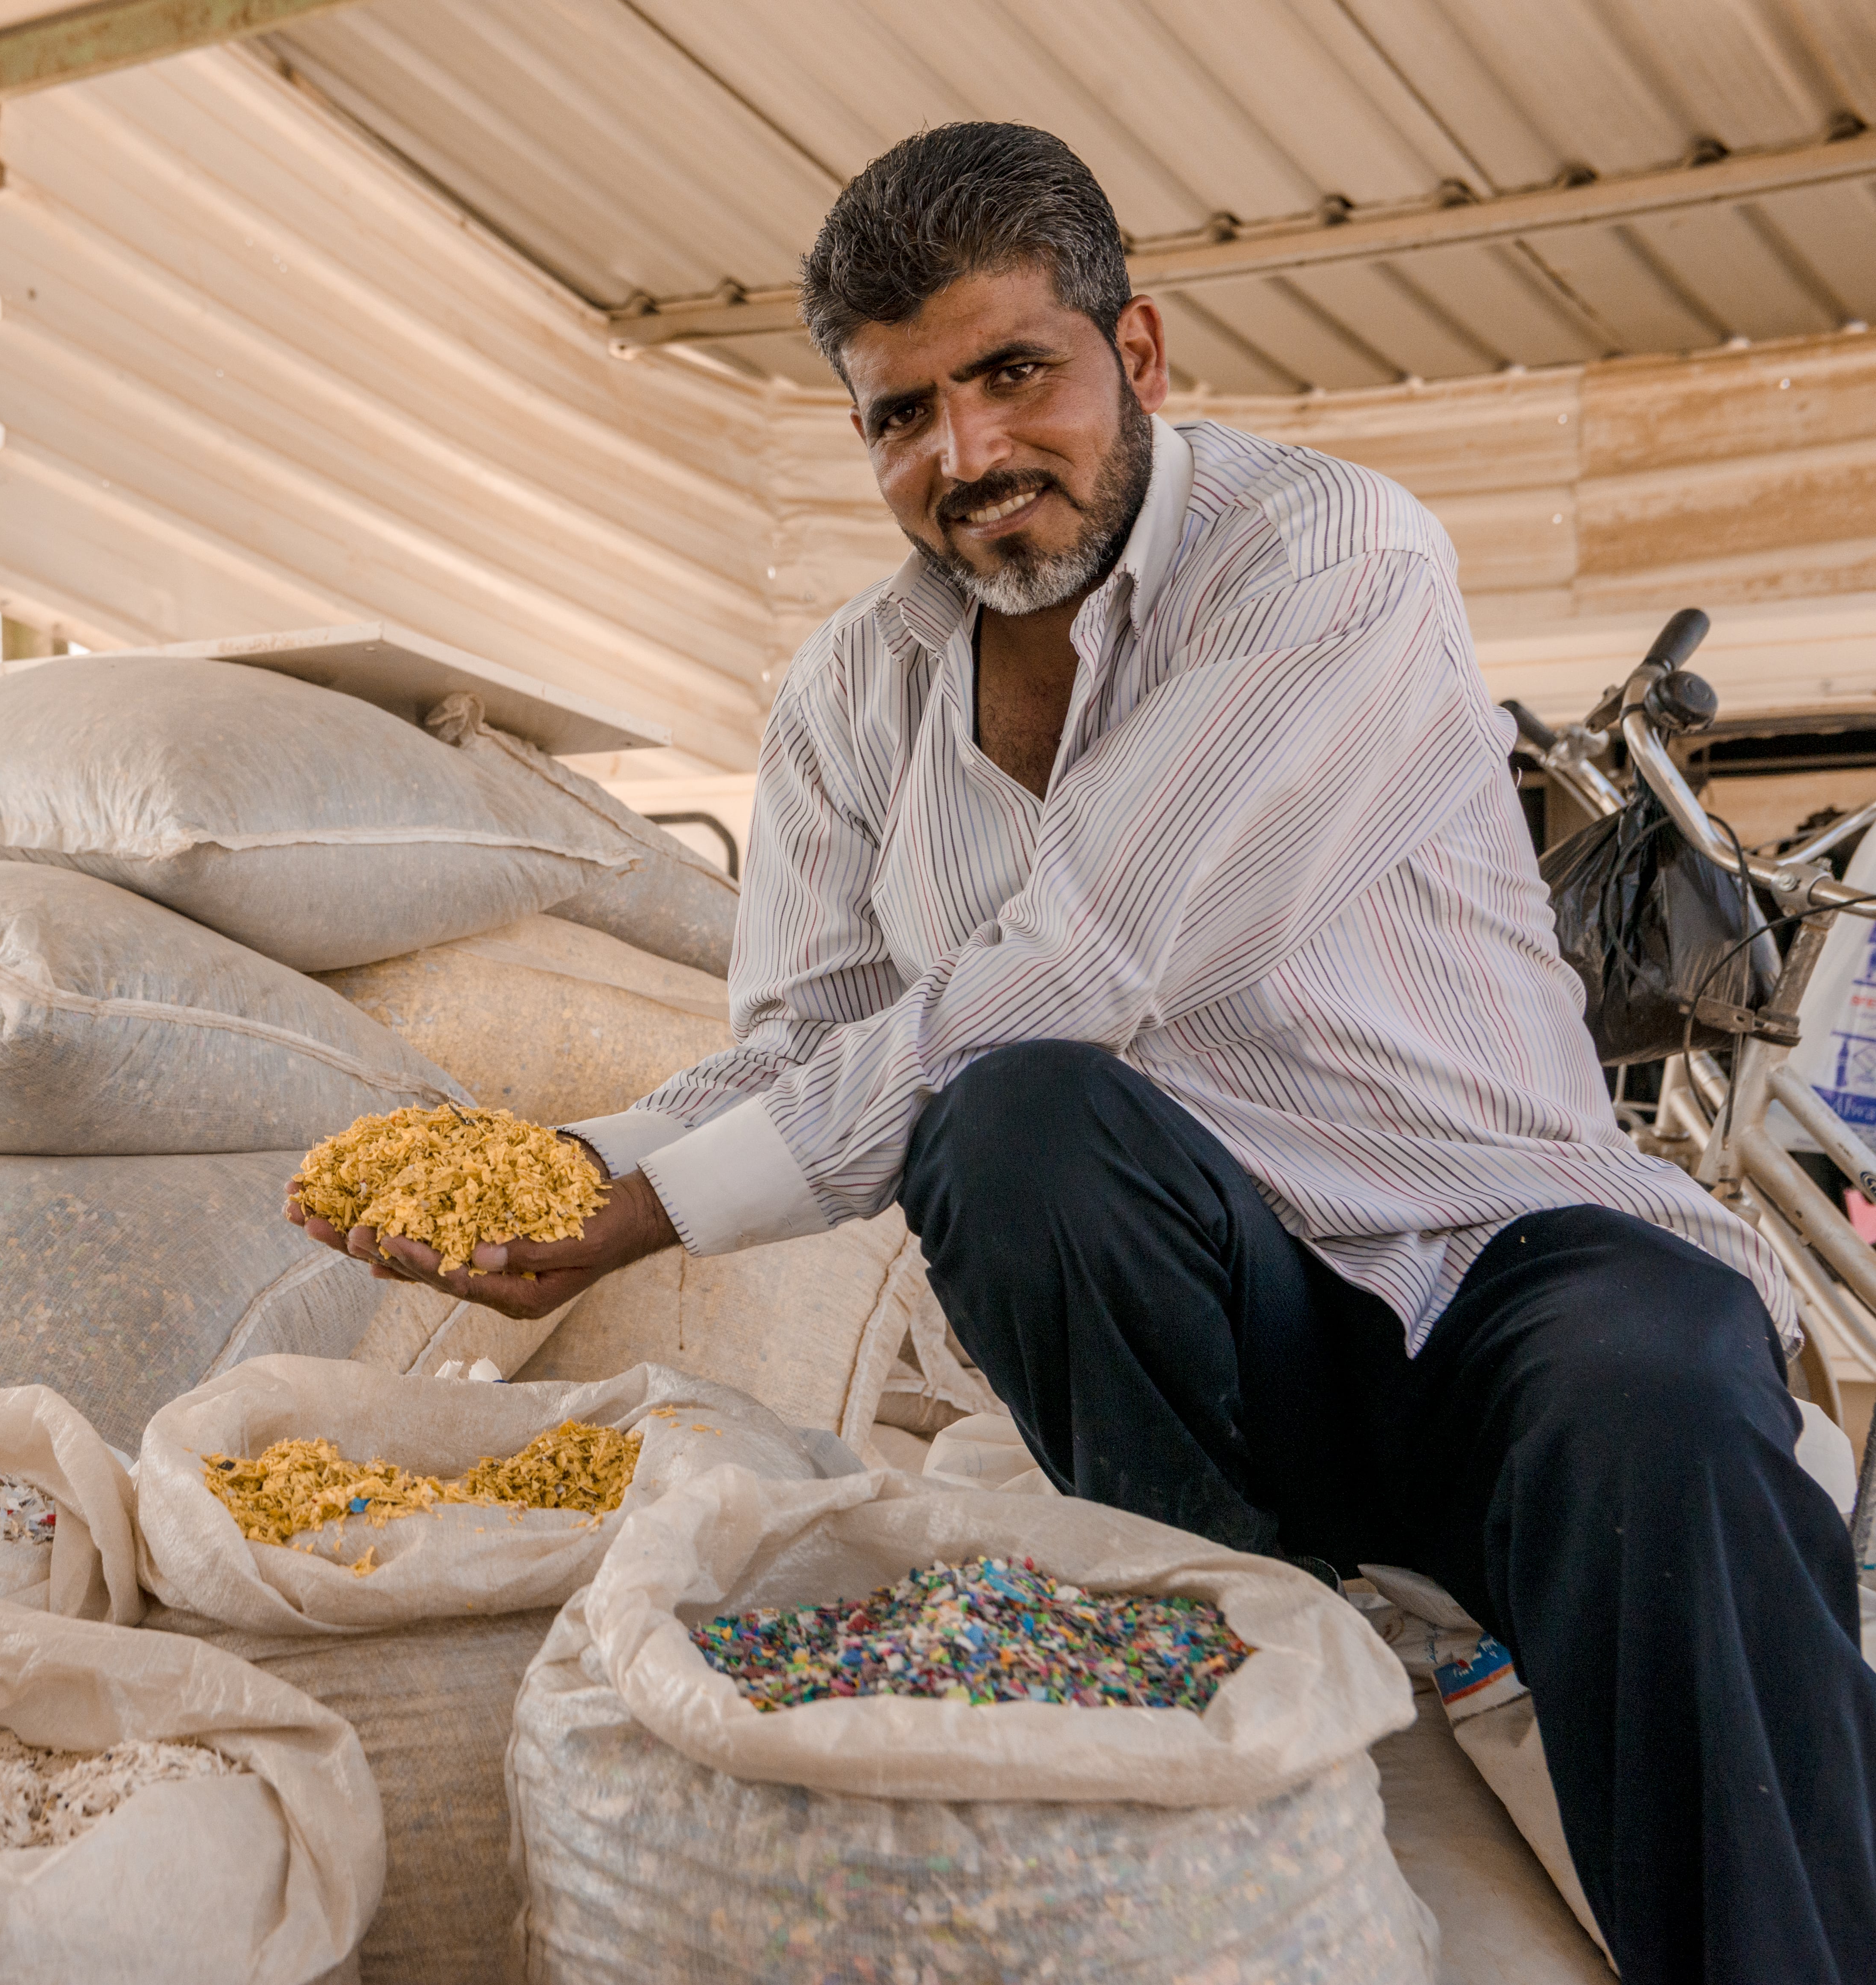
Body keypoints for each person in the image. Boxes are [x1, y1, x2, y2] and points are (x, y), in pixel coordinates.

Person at [286, 120, 1876, 1982]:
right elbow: (806, 1049)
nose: (965, 460)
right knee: (1015, 1133)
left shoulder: (1327, 556)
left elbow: (1091, 950)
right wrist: (572, 1166)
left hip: (1500, 1280)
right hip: (1221, 1362)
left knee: (1656, 1387)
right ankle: (1219, 1644)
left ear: (1135, 355)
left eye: (1010, 375)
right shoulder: (849, 698)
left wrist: (651, 1212)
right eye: (898, 417)